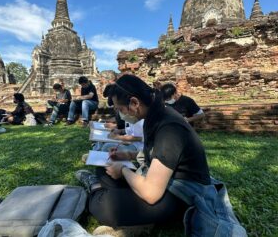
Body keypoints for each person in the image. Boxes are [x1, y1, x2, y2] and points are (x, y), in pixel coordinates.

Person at [75, 75, 246, 236]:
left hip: (180, 193)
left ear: (134, 103)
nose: (120, 115)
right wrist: (124, 155)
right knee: (103, 171)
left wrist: (123, 171)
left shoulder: (170, 128)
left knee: (103, 206)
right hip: (160, 179)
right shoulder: (154, 116)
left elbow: (151, 193)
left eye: (120, 109)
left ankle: (96, 188)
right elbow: (153, 155)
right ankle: (107, 189)